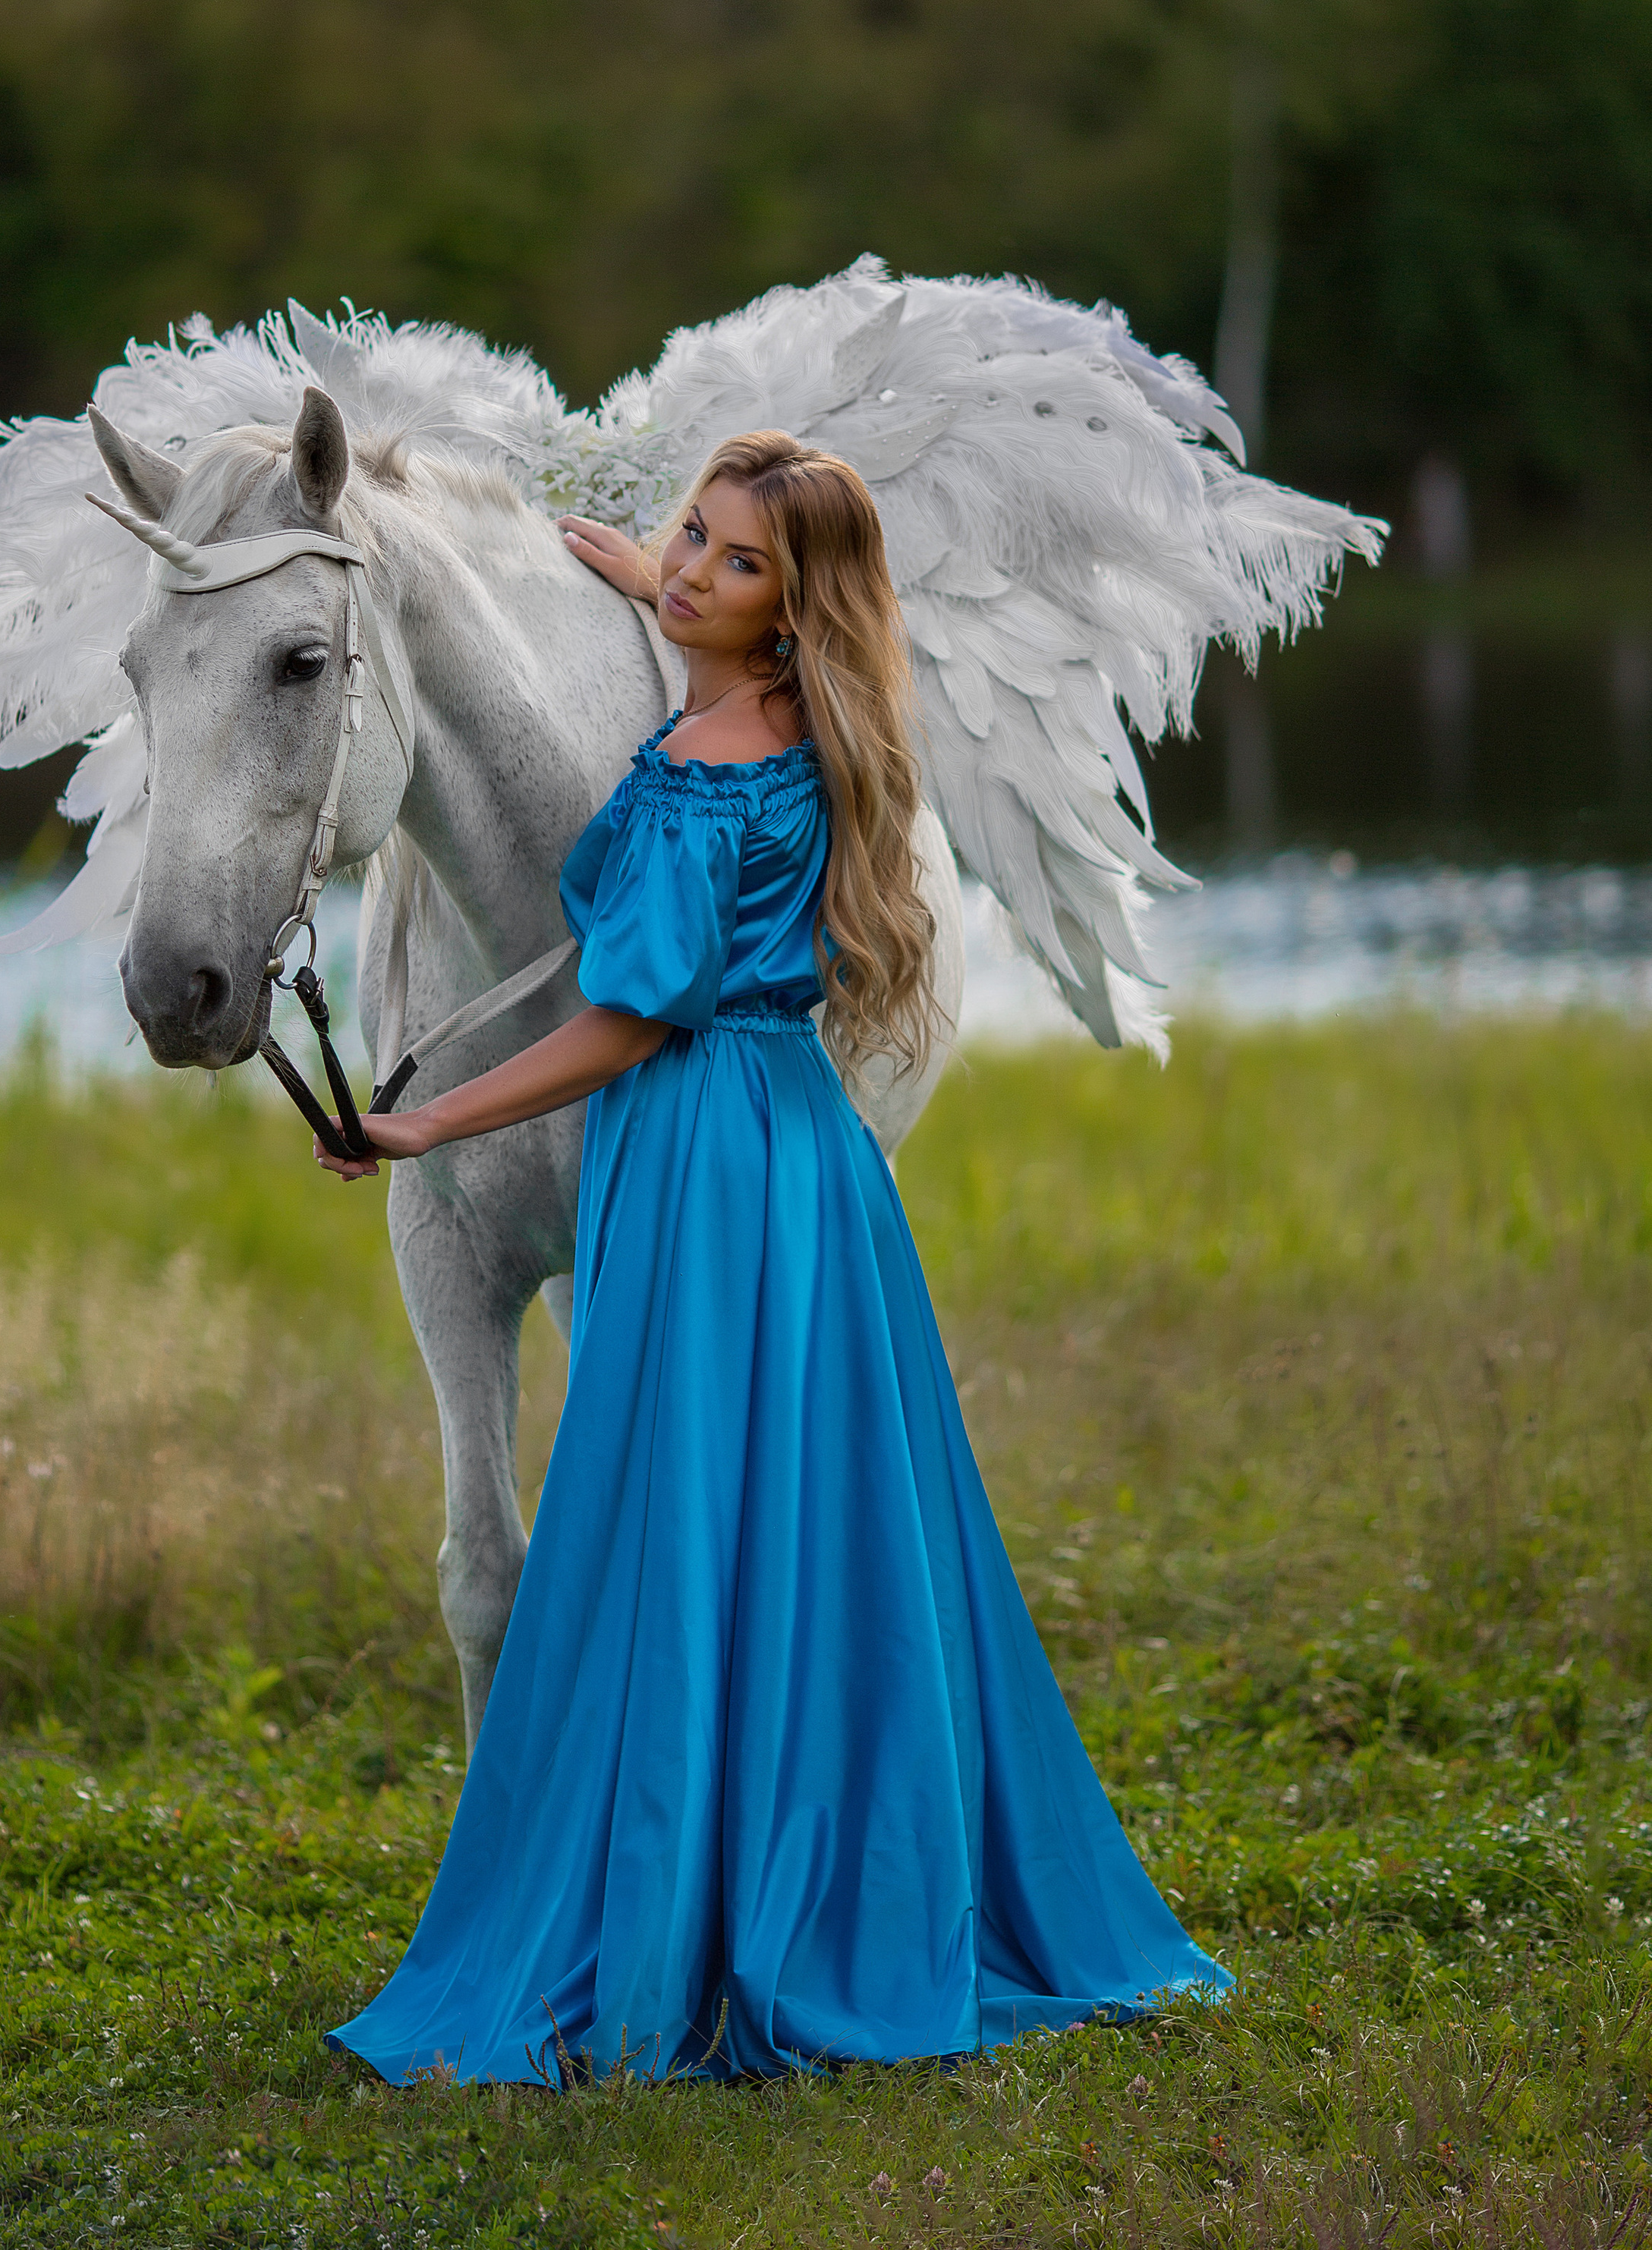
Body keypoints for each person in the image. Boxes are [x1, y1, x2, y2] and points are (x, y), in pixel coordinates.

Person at [318, 429, 1229, 2083]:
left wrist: (426, 1121)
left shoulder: (704, 758)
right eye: (690, 536)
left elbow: (622, 1022)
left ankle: (694, 1909)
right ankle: (820, 1869)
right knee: (817, 1522)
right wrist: (654, 590)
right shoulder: (816, 723)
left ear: (790, 611)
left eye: (736, 564)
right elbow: (734, 663)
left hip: (693, 1151)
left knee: (676, 1519)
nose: (687, 570)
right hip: (803, 1150)